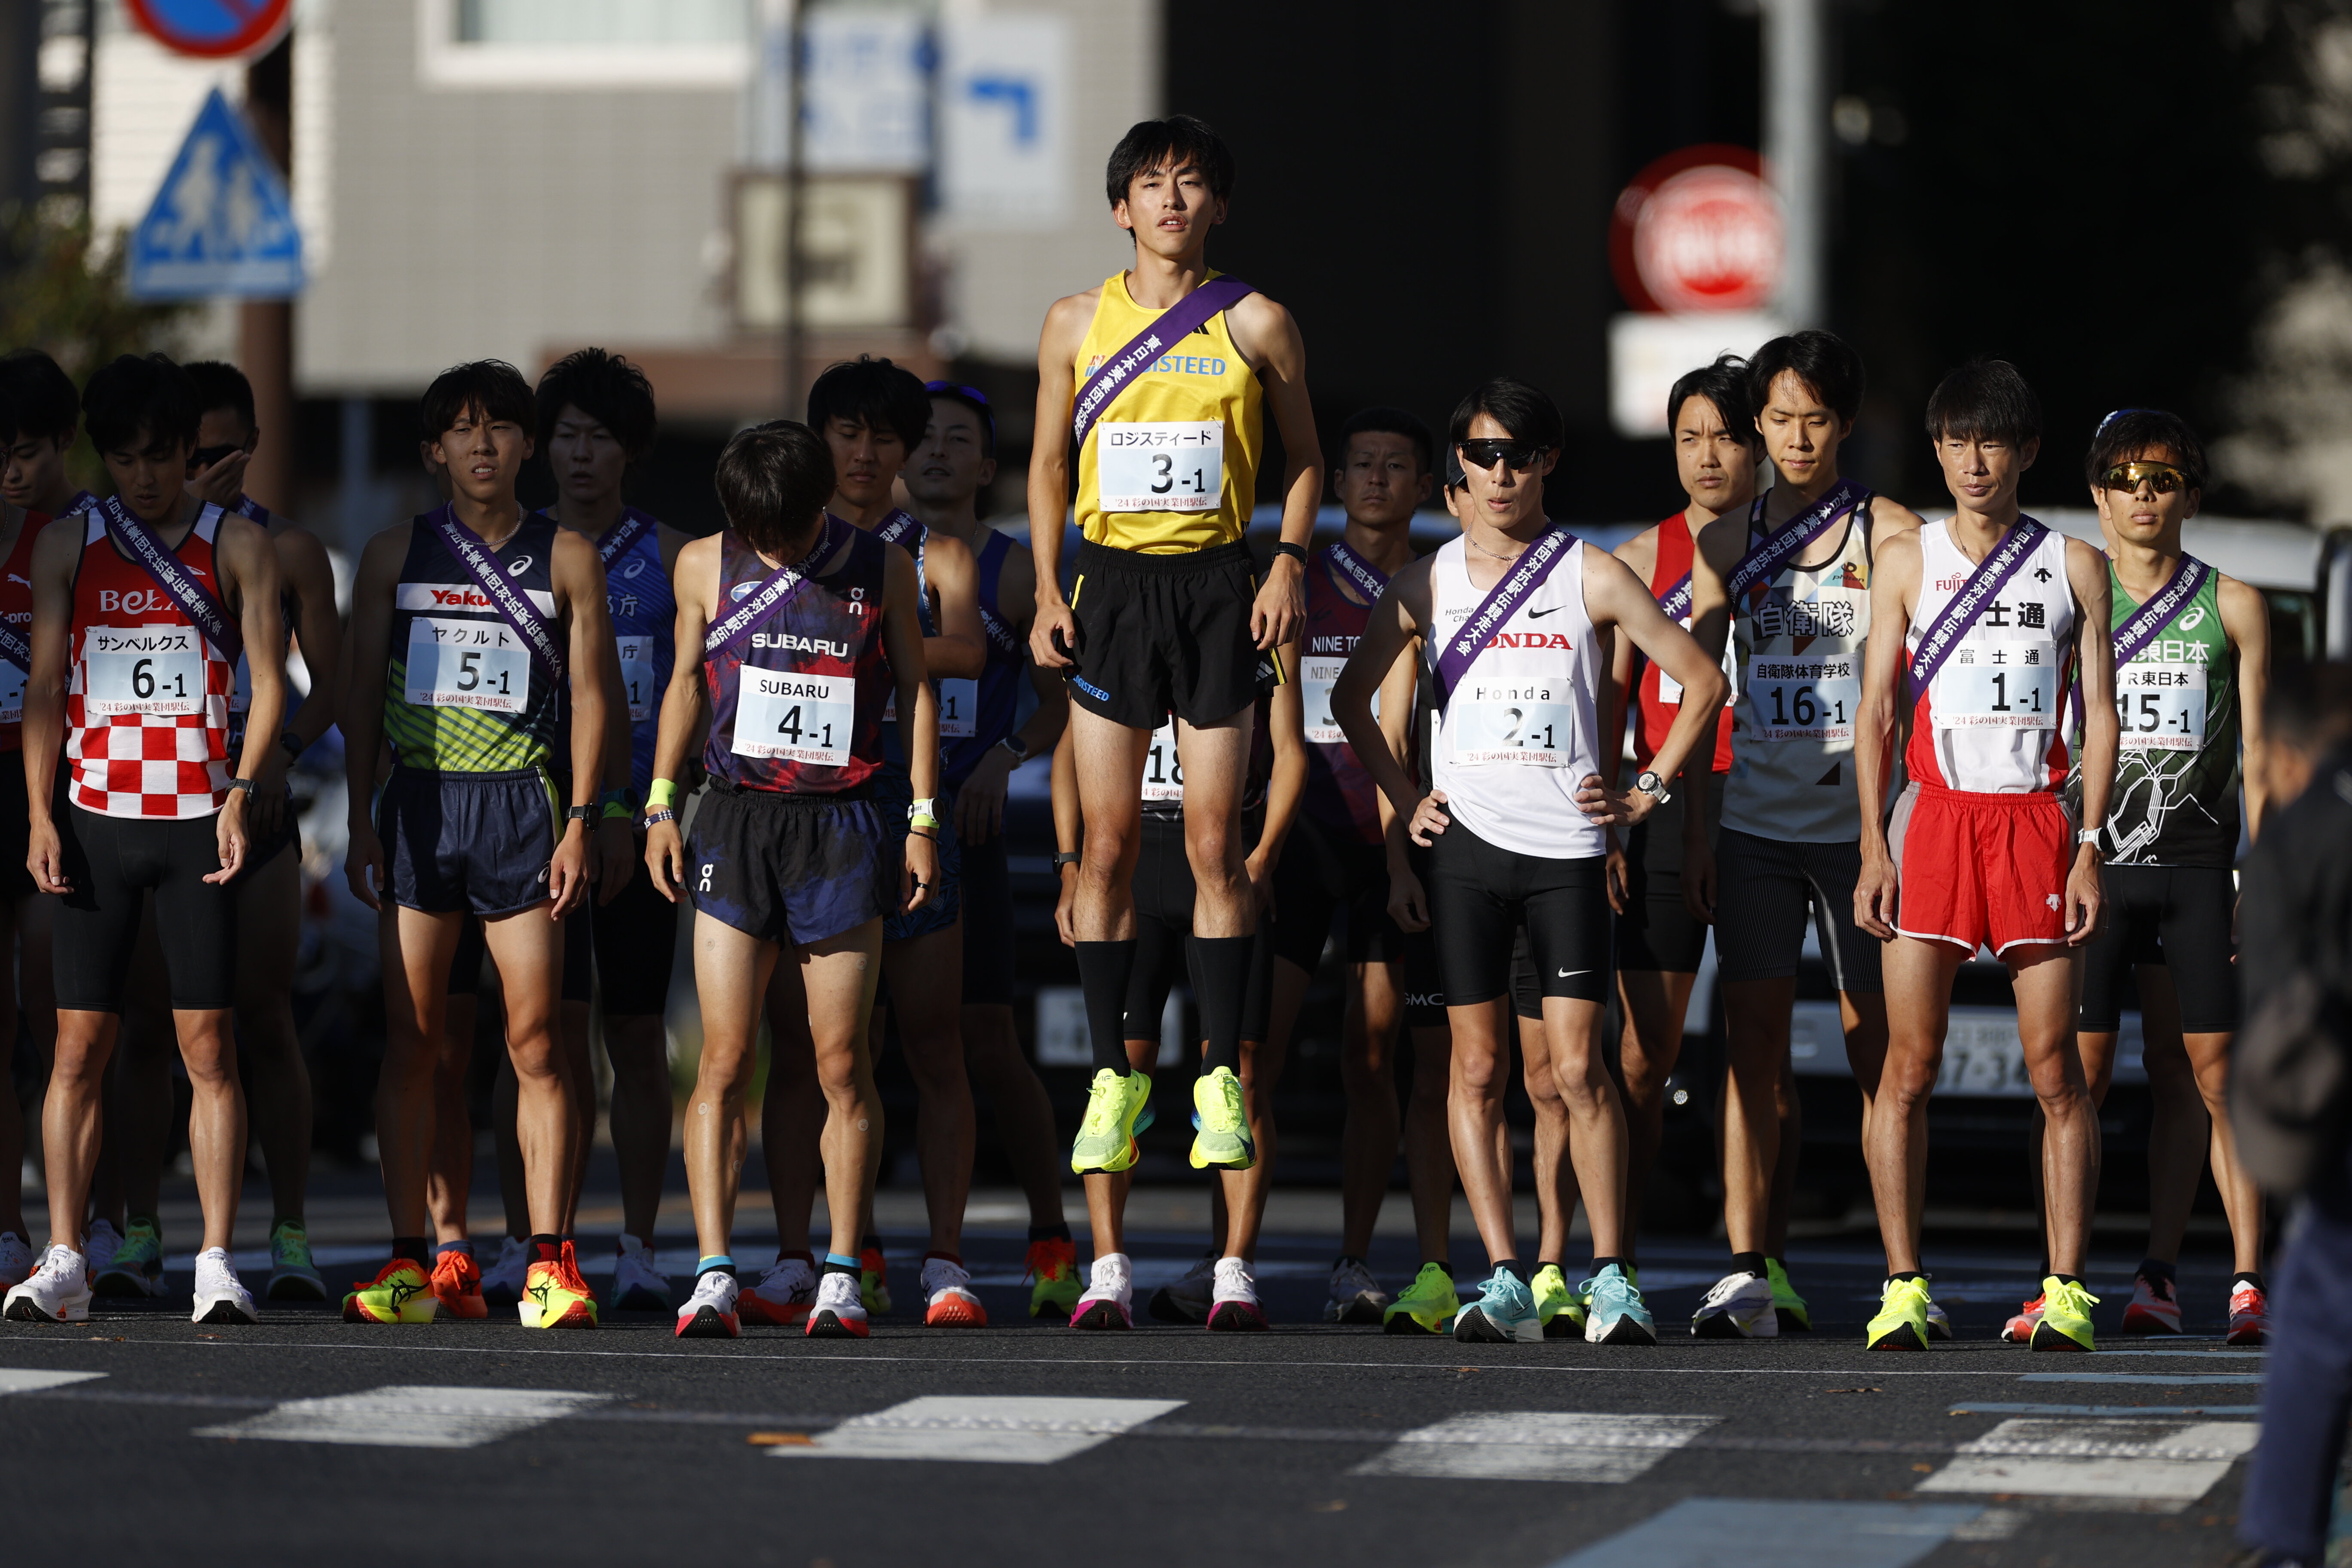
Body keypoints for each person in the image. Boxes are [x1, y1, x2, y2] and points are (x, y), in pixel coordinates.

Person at [1330, 377, 1727, 1345]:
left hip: (1566, 855)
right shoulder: (1425, 581)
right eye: (1481, 456)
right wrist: (1407, 796)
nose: (1498, 473)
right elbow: (1349, 701)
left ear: (1545, 462)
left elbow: (1703, 680)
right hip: (1464, 857)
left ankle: (1611, 1277)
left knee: (1578, 1072)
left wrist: (1649, 793)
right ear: (1458, 471)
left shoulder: (1587, 573)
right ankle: (1503, 1274)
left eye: (1517, 455)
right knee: (1474, 1070)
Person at [1026, 116, 1323, 1314]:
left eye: (1190, 184)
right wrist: (1048, 586)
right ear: (1120, 209)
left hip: (1213, 586)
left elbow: (1303, 458)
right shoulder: (1070, 321)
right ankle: (1112, 1074)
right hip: (1110, 588)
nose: (1169, 201)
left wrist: (1289, 559)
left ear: (1217, 209)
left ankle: (1214, 1074)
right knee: (1105, 841)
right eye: (1150, 185)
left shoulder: (1258, 321)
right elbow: (1046, 464)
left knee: (1211, 842)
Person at [3, 353, 286, 1325]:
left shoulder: (237, 544)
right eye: (124, 459)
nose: (144, 477)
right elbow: (45, 687)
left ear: (186, 453)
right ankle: (67, 1255)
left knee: (207, 1045)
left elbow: (270, 683)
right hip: (92, 819)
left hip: (195, 821)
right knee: (76, 1046)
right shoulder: (69, 545)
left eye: (160, 457)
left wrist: (243, 792)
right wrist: (41, 816)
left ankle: (214, 1258)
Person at [649, 419, 938, 1341]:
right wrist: (660, 802)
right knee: (726, 1059)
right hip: (735, 819)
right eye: (758, 531)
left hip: (843, 827)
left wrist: (922, 819)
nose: (774, 547)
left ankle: (842, 1273)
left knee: (841, 1063)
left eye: (789, 529)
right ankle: (712, 1273)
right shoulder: (702, 563)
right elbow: (689, 681)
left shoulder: (882, 567)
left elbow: (920, 691)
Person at [339, 359, 613, 1329]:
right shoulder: (391, 555)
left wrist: (582, 819)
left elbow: (593, 700)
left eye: (501, 427)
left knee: (537, 1041)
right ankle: (418, 1259)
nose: (484, 444)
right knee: (419, 1043)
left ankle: (549, 1260)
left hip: (520, 811)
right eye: (463, 430)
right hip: (420, 809)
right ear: (433, 451)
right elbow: (361, 690)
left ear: (528, 444)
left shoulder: (567, 555)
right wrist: (359, 821)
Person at [1852, 359, 2117, 1353]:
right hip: (1935, 820)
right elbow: (1874, 708)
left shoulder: (2074, 563)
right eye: (1958, 441)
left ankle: (2065, 1291)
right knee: (1907, 1067)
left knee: (2056, 1074)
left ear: (2027, 451)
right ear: (1938, 449)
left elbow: (2103, 718)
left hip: (2037, 826)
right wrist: (1874, 843)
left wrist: (2089, 846)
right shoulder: (1909, 559)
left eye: (1993, 441)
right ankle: (1903, 1285)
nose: (1974, 461)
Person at [1685, 334, 1927, 1337]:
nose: (1795, 438)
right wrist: (1696, 830)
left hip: (1861, 835)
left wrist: (1898, 830)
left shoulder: (1891, 529)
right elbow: (1701, 697)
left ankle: (1901, 1276)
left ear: (1848, 423)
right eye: (1777, 420)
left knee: (1885, 1058)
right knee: (1754, 1054)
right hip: (1752, 829)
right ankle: (1754, 1267)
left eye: (1815, 419)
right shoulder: (1721, 540)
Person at [744, 356, 985, 1329]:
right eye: (847, 433)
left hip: (902, 798)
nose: (866, 452)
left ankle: (946, 1260)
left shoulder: (933, 552)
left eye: (887, 438)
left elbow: (962, 648)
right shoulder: (771, 539)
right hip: (794, 806)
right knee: (803, 1048)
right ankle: (799, 1254)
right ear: (816, 438)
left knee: (933, 1039)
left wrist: (866, 628)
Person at [2056, 410, 2270, 1344]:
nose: (2145, 493)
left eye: (2165, 478)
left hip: (2194, 868)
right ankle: (2061, 1275)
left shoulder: (2233, 603)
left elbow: (2261, 756)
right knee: (2078, 1077)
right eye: (2127, 478)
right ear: (2098, 494)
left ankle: (2231, 1278)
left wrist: (2258, 873)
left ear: (2189, 495)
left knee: (2208, 1076)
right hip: (2095, 870)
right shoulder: (2067, 593)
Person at [1247, 407, 1457, 1327]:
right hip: (1305, 837)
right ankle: (1232, 1261)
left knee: (1375, 1061)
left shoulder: (1448, 582)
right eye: (1361, 466)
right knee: (1254, 1059)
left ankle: (1357, 1259)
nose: (1375, 480)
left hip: (1401, 850)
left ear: (1424, 486)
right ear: (1336, 485)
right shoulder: (1297, 577)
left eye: (1395, 467)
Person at [902, 380, 1081, 1317]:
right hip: (864, 824)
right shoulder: (866, 554)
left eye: (956, 440)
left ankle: (1050, 1235)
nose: (935, 452)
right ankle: (827, 1253)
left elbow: (1060, 703)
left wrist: (1001, 760)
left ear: (986, 466)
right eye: (921, 437)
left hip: (965, 833)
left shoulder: (1013, 572)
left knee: (985, 1043)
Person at [173, 359, 343, 1302]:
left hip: (261, 809)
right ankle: (137, 1228)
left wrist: (278, 757)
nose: (208, 469)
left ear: (254, 445)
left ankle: (287, 1231)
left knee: (266, 1017)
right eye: (187, 455)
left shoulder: (291, 551)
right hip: (152, 805)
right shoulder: (121, 545)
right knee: (154, 1032)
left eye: (225, 451)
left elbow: (337, 685)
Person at [1049, 686, 1292, 1331]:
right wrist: (1071, 867)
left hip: (1220, 865)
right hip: (1136, 865)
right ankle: (1108, 1269)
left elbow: (1291, 749)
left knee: (1239, 1070)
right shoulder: (1123, 612)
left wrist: (1263, 855)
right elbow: (1068, 753)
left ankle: (1235, 1268)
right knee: (1120, 1074)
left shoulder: (1239, 608)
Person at [533, 349, 688, 1313]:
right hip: (529, 821)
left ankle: (637, 1243)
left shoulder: (676, 556)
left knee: (634, 1034)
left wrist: (653, 806)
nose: (582, 454)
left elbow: (693, 688)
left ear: (631, 451)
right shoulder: (521, 550)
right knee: (542, 1040)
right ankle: (534, 1243)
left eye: (602, 438)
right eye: (567, 435)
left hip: (638, 827)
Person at [2232, 666, 2352, 1568]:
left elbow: (2274, 1005)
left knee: (2316, 1321)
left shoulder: (2300, 836)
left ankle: (2286, 1541)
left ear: (2281, 753)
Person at [0, 380, 65, 1292]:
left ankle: (77, 1221)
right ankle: (9, 1229)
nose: (11, 471)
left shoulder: (74, 540)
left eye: (25, 451)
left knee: (68, 1024)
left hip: (53, 787)